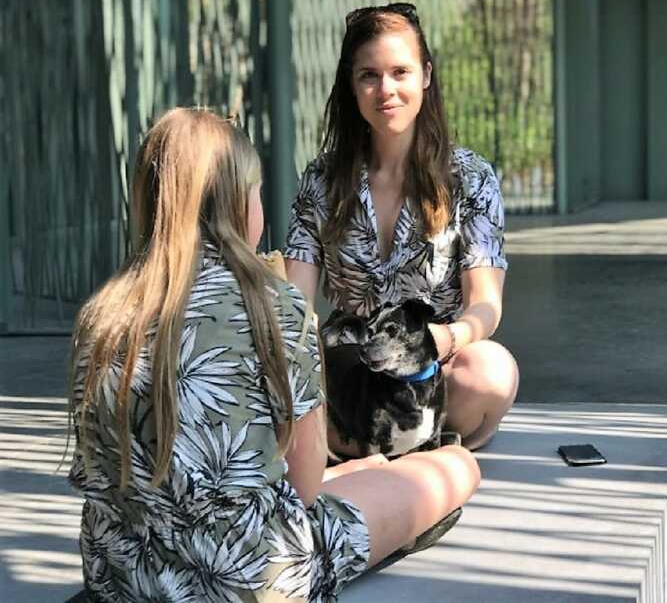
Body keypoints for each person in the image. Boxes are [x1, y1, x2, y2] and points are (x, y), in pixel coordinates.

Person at [66, 108, 480, 602]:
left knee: (358, 473)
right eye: (258, 191)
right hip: (251, 578)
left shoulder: (103, 314)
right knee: (455, 468)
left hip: (123, 572)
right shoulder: (275, 305)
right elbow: (304, 489)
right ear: (240, 205)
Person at [284, 2, 519, 455]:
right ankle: (392, 447)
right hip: (351, 367)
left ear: (425, 75)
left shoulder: (471, 178)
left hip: (430, 365)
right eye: (369, 75)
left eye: (400, 72)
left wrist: (444, 339)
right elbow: (295, 305)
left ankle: (366, 446)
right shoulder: (321, 180)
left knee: (491, 372)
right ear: (352, 86)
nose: (385, 89)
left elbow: (485, 305)